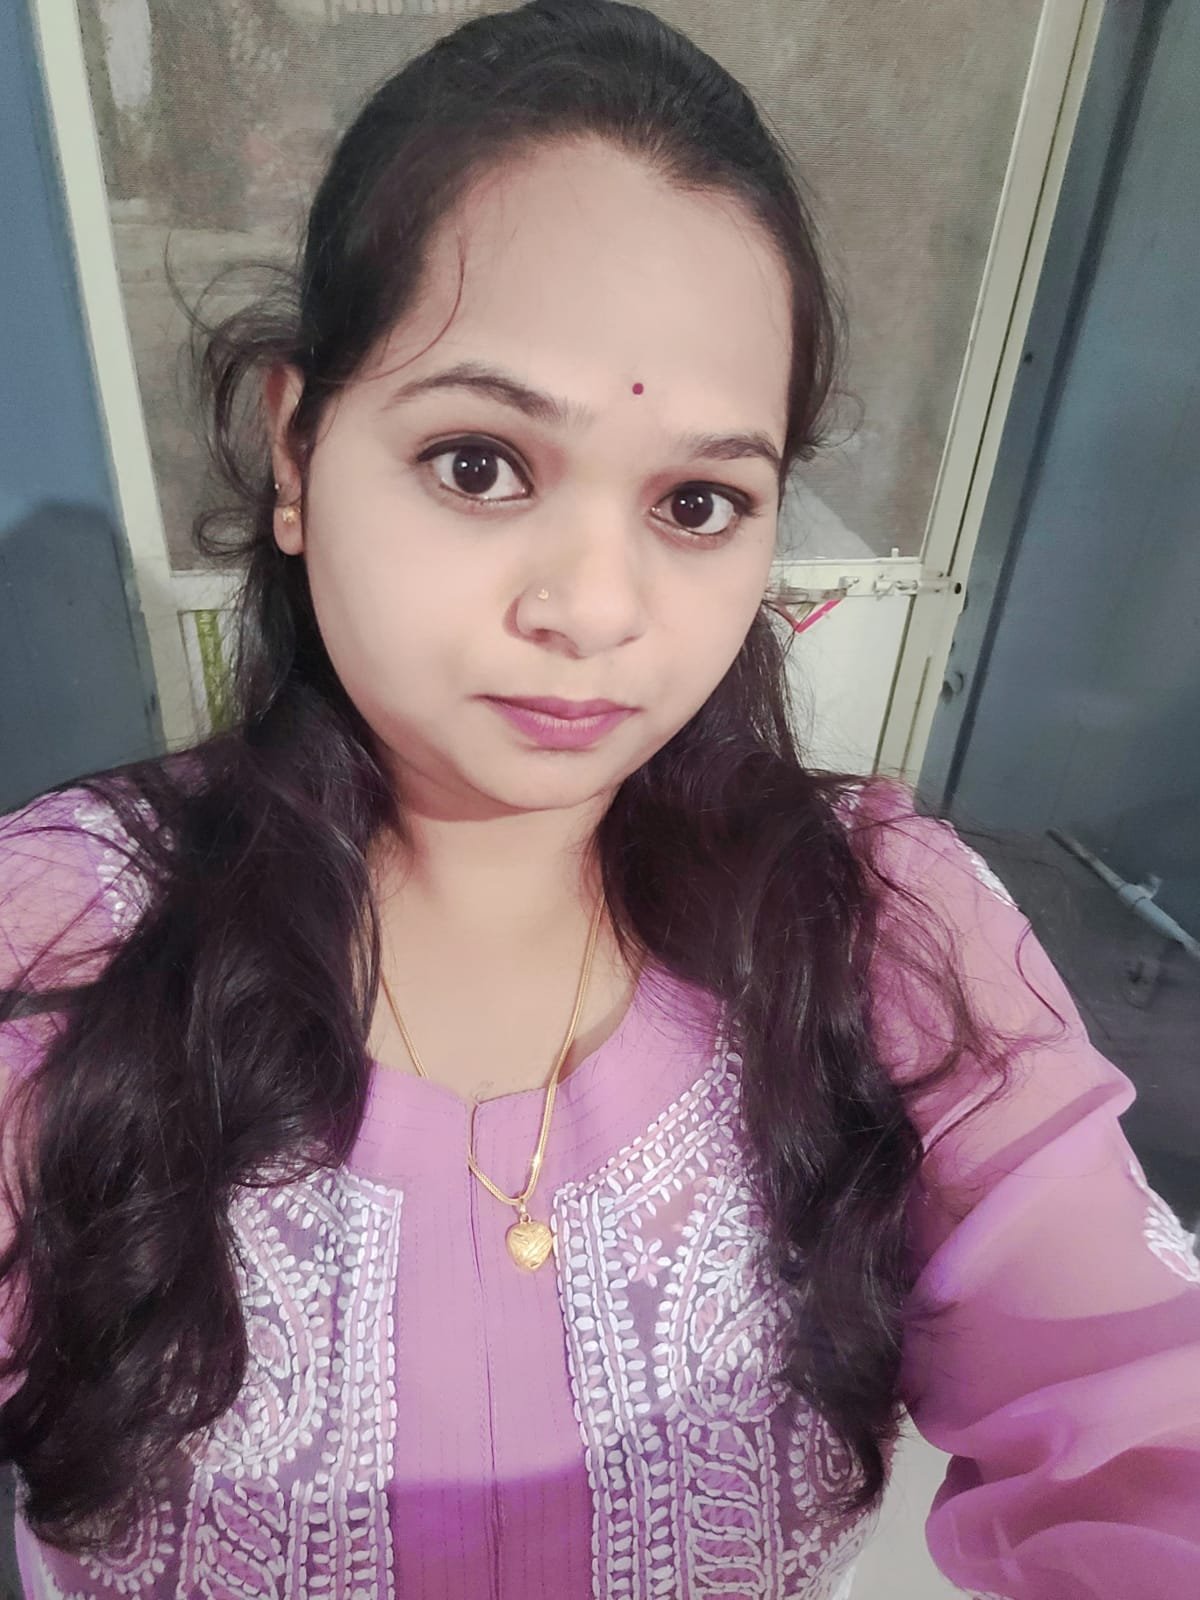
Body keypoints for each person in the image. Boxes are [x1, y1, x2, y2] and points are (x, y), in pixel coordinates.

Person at [1, 3, 1197, 1596]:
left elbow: (1144, 1433)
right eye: (479, 464)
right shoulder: (60, 945)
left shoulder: (880, 929)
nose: (594, 609)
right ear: (296, 445)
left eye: (698, 502)